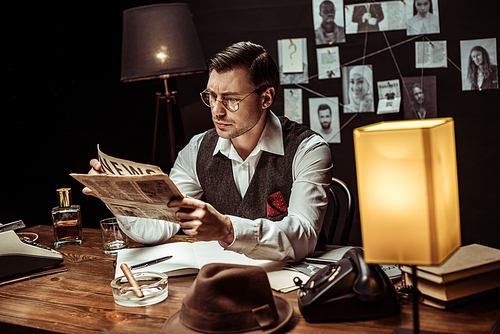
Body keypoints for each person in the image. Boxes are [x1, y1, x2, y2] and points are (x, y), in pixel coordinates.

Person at [84, 41, 332, 263]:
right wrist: (117, 197)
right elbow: (158, 228)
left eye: (231, 99)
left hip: (292, 284)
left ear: (266, 98)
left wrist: (227, 229)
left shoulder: (308, 150)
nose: (217, 111)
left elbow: (304, 236)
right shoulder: (197, 149)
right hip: (219, 282)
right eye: (212, 96)